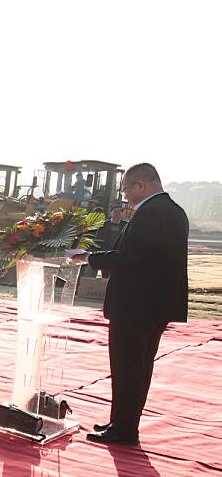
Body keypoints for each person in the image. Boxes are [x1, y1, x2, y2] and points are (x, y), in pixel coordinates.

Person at [73, 164, 189, 446]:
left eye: (126, 189)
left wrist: (88, 258)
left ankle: (124, 430)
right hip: (154, 305)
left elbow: (130, 257)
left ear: (141, 185)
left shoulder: (151, 213)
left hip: (136, 304)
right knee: (138, 368)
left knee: (128, 369)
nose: (125, 196)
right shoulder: (175, 211)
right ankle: (122, 421)